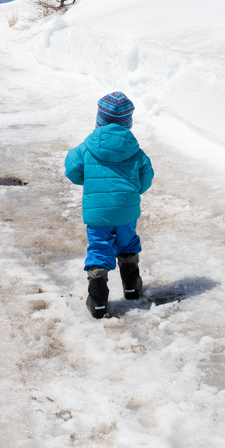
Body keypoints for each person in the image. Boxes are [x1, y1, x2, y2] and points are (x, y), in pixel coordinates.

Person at [64, 91, 154, 318]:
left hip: (98, 212)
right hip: (126, 210)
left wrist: (91, 183)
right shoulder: (134, 149)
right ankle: (132, 287)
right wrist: (130, 194)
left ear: (99, 119)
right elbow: (146, 176)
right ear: (128, 122)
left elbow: (72, 169)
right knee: (128, 242)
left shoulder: (87, 146)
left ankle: (98, 300)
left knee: (99, 247)